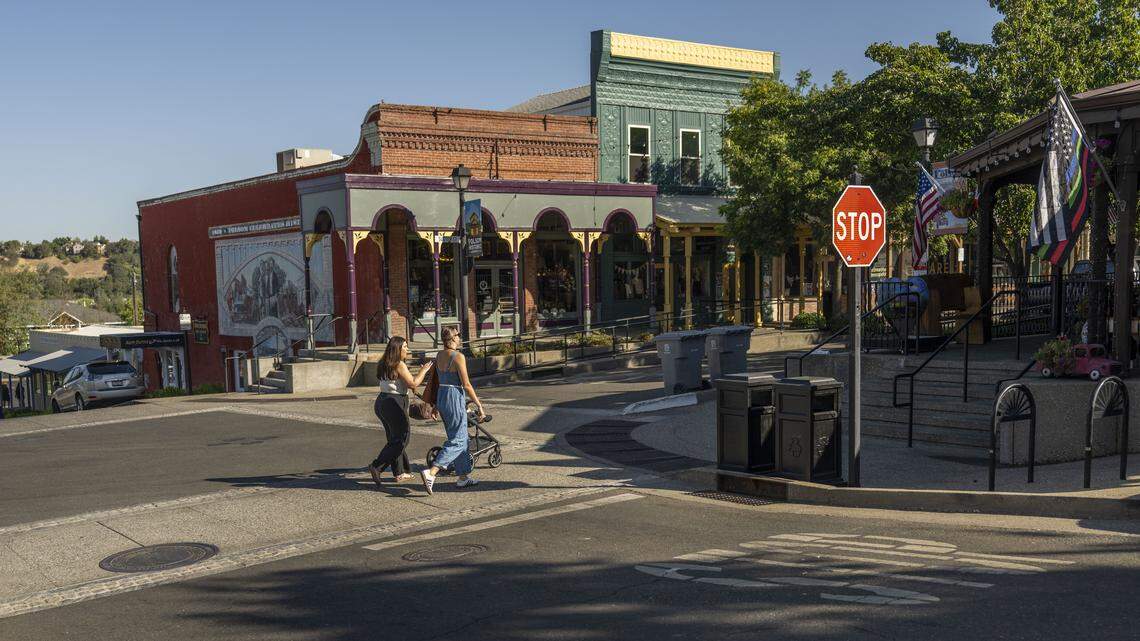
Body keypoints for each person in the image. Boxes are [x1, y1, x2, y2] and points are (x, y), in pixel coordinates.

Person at [420, 327, 485, 494]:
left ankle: (463, 477)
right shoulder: (458, 357)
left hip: (442, 396)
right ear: (453, 338)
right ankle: (432, 471)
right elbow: (467, 384)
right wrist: (479, 404)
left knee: (459, 437)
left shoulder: (439, 355)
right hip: (454, 397)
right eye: (458, 335)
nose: (460, 338)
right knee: (459, 440)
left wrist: (435, 405)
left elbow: (437, 381)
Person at [368, 336, 433, 488]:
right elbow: (413, 383)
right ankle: (377, 466)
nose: (407, 350)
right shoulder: (399, 364)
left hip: (382, 402)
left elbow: (404, 383)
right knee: (402, 439)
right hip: (394, 403)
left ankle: (400, 472)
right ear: (397, 349)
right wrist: (424, 370)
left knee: (395, 439)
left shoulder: (385, 362)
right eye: (404, 347)